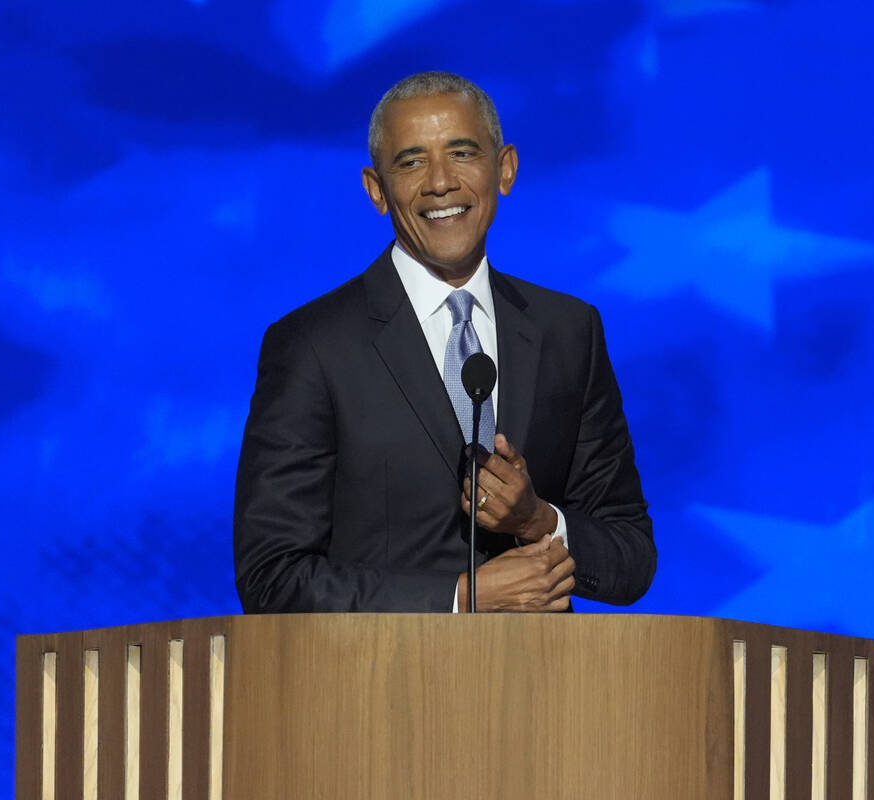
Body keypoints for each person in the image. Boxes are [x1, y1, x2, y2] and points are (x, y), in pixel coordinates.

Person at [233, 71, 654, 612]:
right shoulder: (313, 346)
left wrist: (537, 520)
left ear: (505, 169)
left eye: (462, 154)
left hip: (547, 686)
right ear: (376, 190)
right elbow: (273, 578)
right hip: (382, 688)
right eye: (410, 162)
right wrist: (461, 598)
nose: (440, 183)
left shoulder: (569, 330)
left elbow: (631, 556)